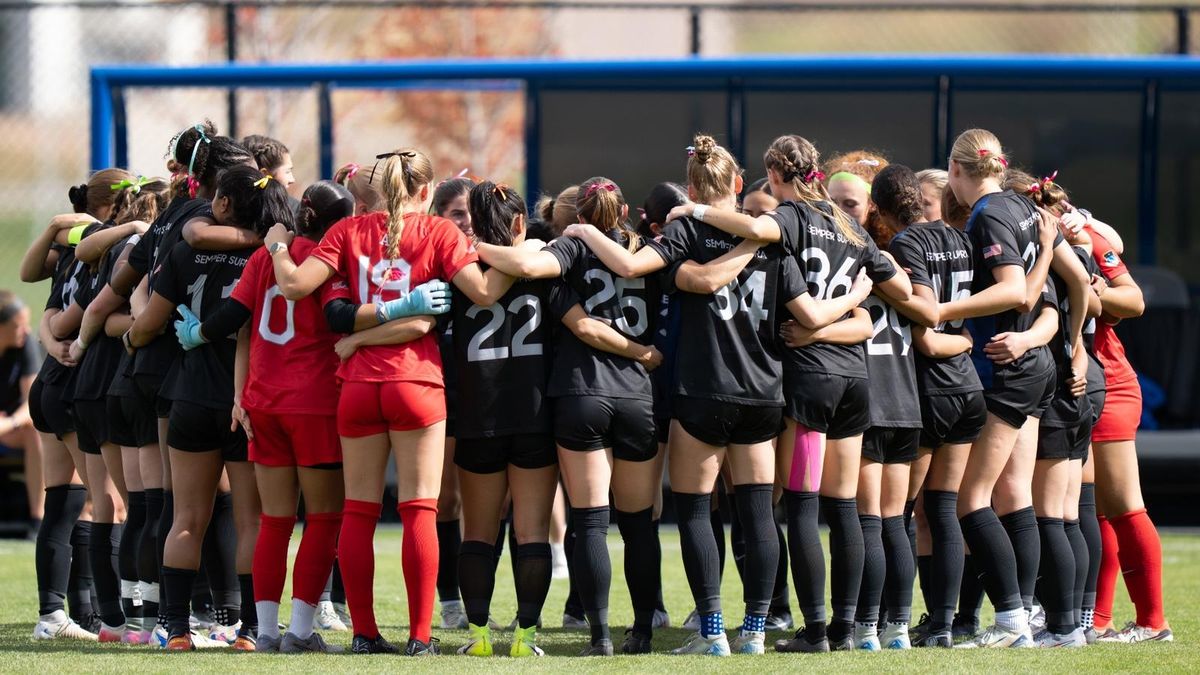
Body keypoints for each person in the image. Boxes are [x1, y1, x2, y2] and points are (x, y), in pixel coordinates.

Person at [663, 135, 912, 653]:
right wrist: (863, 291)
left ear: (774, 175)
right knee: (845, 508)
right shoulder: (850, 227)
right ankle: (855, 630)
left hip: (809, 383)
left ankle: (813, 631)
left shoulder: (792, 221)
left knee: (798, 506)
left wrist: (691, 209)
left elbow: (763, 241)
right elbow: (904, 294)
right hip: (855, 382)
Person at [264, 146, 515, 656]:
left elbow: (292, 286)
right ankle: (420, 639)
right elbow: (485, 293)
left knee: (357, 511)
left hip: (357, 387)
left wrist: (277, 247)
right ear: (426, 191)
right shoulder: (442, 232)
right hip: (417, 382)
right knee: (420, 509)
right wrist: (518, 250)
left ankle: (364, 635)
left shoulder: (346, 231)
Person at [475, 176, 666, 657]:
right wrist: (644, 353)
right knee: (639, 524)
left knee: (592, 522)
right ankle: (642, 630)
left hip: (582, 393)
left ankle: (599, 636)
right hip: (638, 396)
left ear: (578, 217)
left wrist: (468, 246)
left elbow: (528, 267)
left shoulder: (570, 248)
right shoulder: (649, 250)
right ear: (624, 212)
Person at [175, 179, 357, 653]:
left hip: (265, 404)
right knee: (323, 518)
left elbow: (230, 320)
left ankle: (266, 631)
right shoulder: (329, 260)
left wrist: (202, 338)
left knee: (274, 521)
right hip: (314, 405)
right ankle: (299, 631)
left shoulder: (263, 257)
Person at [935, 129, 1091, 648]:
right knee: (1015, 497)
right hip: (1035, 361)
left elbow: (1012, 290)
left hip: (1010, 367)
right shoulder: (1027, 210)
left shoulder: (989, 214)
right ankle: (1055, 625)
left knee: (971, 498)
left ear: (956, 172)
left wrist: (942, 311)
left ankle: (1011, 624)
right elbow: (1062, 285)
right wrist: (1069, 342)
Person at [127, 165, 291, 651]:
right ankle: (248, 630)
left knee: (186, 517)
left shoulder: (185, 251)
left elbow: (152, 321)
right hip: (248, 402)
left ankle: (175, 628)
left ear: (222, 205)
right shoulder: (270, 255)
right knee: (251, 521)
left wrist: (134, 339)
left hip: (191, 397)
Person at [852, 165, 940, 651]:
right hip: (908, 404)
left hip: (871, 402)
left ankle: (868, 627)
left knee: (871, 520)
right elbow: (927, 322)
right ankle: (898, 627)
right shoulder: (904, 269)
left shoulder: (863, 267)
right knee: (897, 521)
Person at [1084, 218, 1171, 643]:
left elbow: (1133, 300)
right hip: (1071, 387)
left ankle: (1153, 623)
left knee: (1123, 506)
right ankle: (1098, 619)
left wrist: (1096, 290)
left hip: (1110, 383)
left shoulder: (1081, 235)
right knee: (1098, 510)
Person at [0, 293, 43, 534]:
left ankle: (37, 520)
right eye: (18, 326)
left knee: (36, 430)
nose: (26, 331)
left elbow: (31, 404)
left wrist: (9, 423)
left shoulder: (25, 346)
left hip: (11, 427)